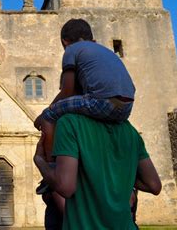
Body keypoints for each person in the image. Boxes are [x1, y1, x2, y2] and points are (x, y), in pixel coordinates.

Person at [34, 18, 136, 164]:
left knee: (48, 117)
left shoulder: (71, 50)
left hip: (102, 102)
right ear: (92, 39)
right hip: (126, 106)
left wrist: (46, 111)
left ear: (65, 42)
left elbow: (68, 90)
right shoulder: (107, 52)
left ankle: (52, 165)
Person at [34, 114, 162, 229]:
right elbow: (154, 185)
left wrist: (40, 161)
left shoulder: (70, 123)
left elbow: (64, 190)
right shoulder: (130, 131)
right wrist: (116, 169)